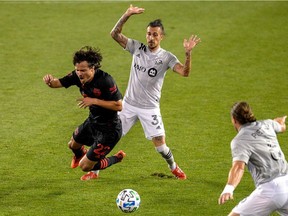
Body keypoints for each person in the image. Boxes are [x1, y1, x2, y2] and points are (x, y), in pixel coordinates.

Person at [110, 5, 201, 180]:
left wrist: (188, 54)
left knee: (160, 146)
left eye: (155, 35)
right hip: (128, 104)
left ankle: (173, 166)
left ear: (162, 37)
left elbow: (185, 72)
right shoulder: (137, 48)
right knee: (110, 137)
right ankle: (94, 170)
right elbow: (114, 34)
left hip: (149, 108)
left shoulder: (167, 57)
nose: (151, 38)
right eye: (149, 34)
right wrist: (127, 14)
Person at [43, 46, 125, 181]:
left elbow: (119, 106)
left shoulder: (106, 80)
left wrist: (94, 101)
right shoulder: (77, 76)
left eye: (83, 70)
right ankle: (80, 155)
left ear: (92, 69)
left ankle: (117, 158)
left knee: (85, 166)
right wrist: (49, 81)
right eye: (77, 70)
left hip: (109, 130)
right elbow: (57, 83)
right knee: (72, 145)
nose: (79, 73)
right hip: (93, 122)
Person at [218, 101, 288, 215]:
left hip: (271, 190)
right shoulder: (268, 124)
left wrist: (228, 189)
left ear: (234, 120)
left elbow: (239, 167)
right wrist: (281, 121)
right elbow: (281, 126)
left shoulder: (239, 140)